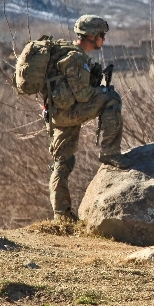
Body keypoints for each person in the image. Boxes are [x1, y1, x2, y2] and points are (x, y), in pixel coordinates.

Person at [46, 15, 127, 222]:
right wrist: (100, 88)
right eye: (101, 35)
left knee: (62, 162)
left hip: (57, 114)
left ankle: (61, 215)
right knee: (112, 99)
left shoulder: (63, 51)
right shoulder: (76, 58)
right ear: (91, 36)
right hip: (69, 113)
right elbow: (83, 96)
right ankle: (110, 152)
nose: (103, 39)